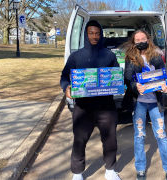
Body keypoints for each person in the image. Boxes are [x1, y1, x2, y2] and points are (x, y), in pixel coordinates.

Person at [60, 20, 121, 180]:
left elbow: (117, 76)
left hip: (106, 107)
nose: (94, 36)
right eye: (91, 33)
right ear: (86, 35)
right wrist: (66, 87)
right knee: (79, 140)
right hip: (83, 107)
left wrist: (121, 84)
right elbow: (64, 76)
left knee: (110, 140)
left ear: (101, 35)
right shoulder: (76, 56)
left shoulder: (109, 55)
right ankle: (77, 172)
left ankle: (110, 170)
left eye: (97, 33)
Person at [123, 29, 167, 180]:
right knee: (139, 136)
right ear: (134, 42)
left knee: (161, 135)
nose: (140, 41)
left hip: (155, 102)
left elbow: (165, 77)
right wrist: (135, 87)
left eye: (143, 38)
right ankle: (140, 169)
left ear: (148, 39)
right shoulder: (130, 57)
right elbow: (128, 79)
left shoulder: (157, 56)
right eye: (137, 40)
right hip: (139, 102)